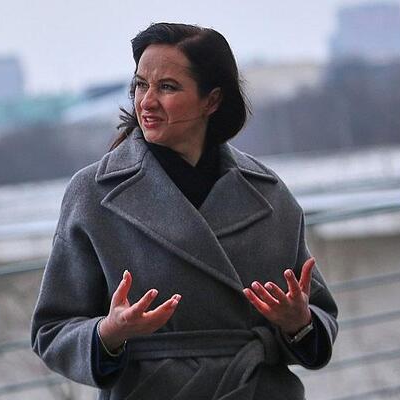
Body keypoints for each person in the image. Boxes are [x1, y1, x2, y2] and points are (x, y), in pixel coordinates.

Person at [31, 22, 338, 399]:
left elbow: (318, 320)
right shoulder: (93, 194)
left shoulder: (268, 193)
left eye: (167, 87)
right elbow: (52, 330)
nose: (146, 101)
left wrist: (299, 323)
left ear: (211, 100)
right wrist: (109, 333)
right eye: (141, 84)